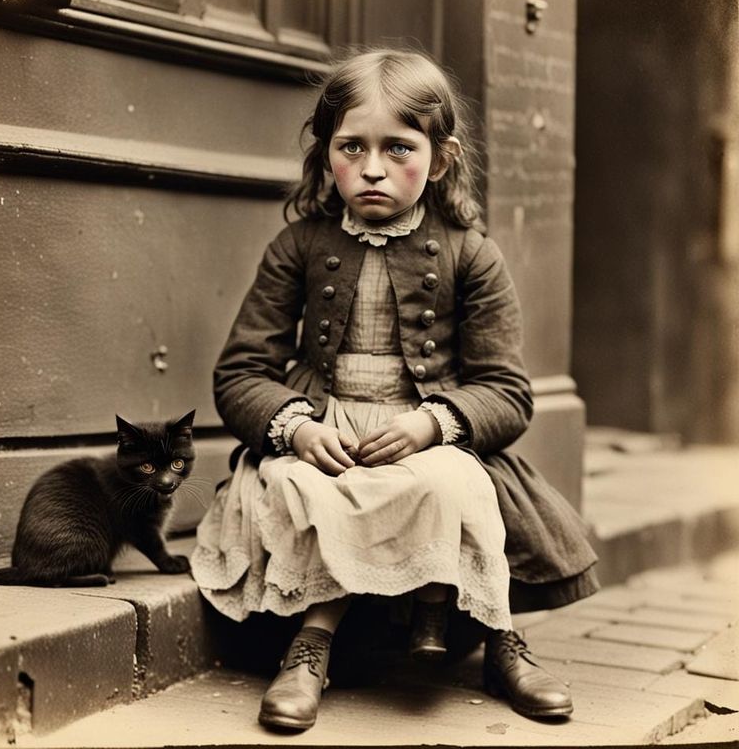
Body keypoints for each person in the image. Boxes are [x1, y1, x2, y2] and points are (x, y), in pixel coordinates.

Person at [193, 49, 597, 732]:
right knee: (303, 488)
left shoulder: (471, 253)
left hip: (422, 433)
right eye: (352, 146)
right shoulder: (299, 245)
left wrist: (433, 425)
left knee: (454, 485)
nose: (373, 167)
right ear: (327, 156)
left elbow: (506, 389)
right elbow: (239, 372)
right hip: (328, 429)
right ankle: (310, 646)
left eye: (398, 148)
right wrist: (297, 427)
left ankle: (501, 642)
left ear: (439, 160)